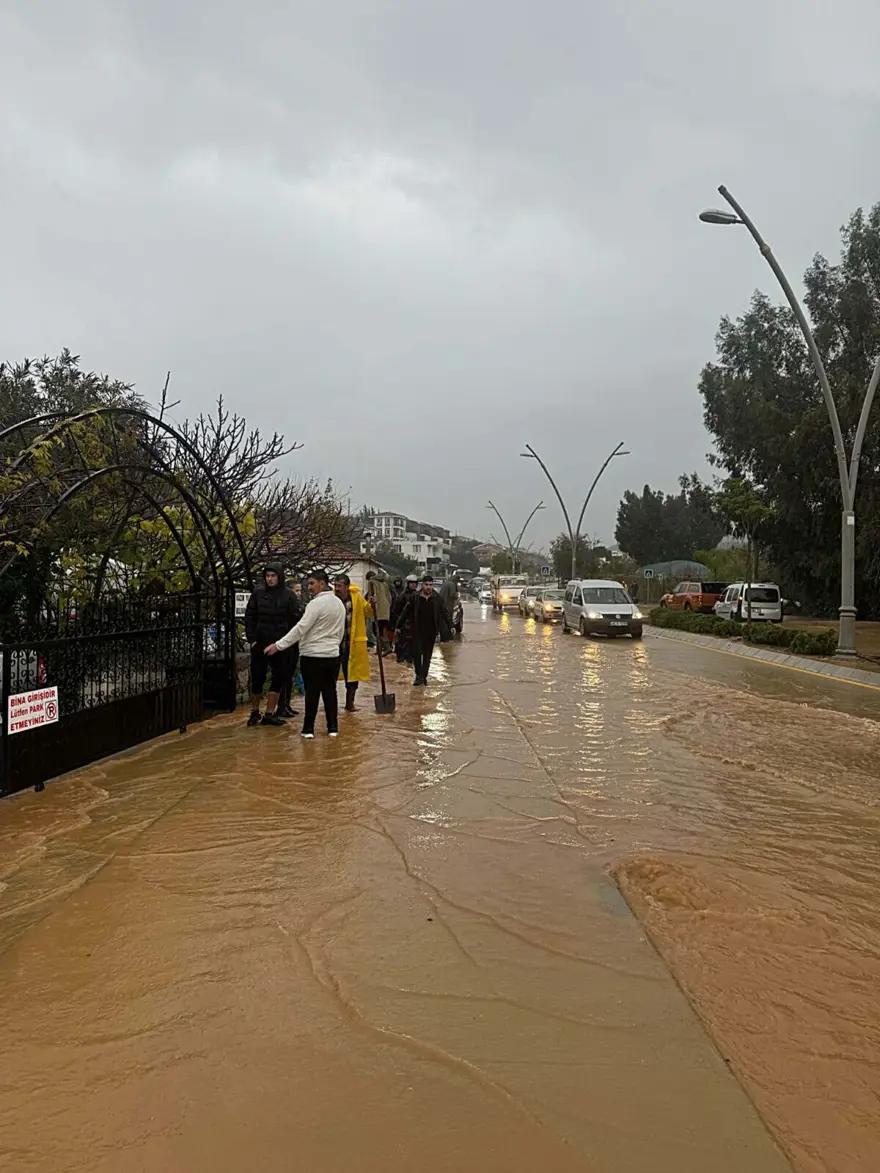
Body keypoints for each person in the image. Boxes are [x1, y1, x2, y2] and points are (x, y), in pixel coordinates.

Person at [265, 569, 346, 739]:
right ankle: (333, 728)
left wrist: (279, 645)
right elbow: (340, 632)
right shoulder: (339, 603)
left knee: (312, 693)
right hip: (332, 655)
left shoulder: (315, 604)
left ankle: (308, 730)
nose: (309, 587)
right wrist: (333, 647)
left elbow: (301, 628)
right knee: (331, 693)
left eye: (311, 583)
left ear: (322, 583)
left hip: (313, 656)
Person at [244, 562, 302, 726]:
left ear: (279, 577)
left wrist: (288, 641)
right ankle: (255, 711)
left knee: (279, 678)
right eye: (267, 576)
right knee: (257, 678)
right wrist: (252, 639)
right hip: (260, 643)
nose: (270, 579)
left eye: (273, 576)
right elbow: (250, 615)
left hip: (281, 643)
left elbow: (295, 619)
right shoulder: (258, 593)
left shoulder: (289, 595)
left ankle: (269, 713)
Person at [395, 574, 452, 685]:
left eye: (430, 585)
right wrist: (398, 626)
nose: (428, 587)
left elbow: (444, 612)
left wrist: (451, 626)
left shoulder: (437, 598)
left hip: (431, 631)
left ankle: (423, 677)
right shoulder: (415, 598)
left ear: (433, 585)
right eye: (426, 585)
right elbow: (405, 612)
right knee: (417, 654)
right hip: (417, 630)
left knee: (427, 656)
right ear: (422, 585)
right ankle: (418, 676)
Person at [334, 574, 373, 712]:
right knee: (330, 674)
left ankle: (349, 704)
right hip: (334, 644)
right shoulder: (331, 599)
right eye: (335, 585)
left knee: (352, 675)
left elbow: (368, 612)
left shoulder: (356, 598)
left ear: (347, 586)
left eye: (339, 586)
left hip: (351, 644)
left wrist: (372, 604)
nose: (337, 588)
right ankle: (330, 703)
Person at [392, 574, 419, 664]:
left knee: (412, 651)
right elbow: (396, 611)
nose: (413, 585)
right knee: (401, 649)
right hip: (403, 628)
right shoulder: (402, 596)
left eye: (415, 583)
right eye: (411, 583)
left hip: (414, 627)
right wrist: (398, 626)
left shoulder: (418, 595)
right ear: (407, 584)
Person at [366, 568, 393, 654]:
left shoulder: (371, 582)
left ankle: (387, 647)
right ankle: (379, 649)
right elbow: (389, 597)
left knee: (376, 630)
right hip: (386, 611)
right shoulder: (384, 583)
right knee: (381, 630)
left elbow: (371, 597)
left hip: (378, 611)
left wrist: (371, 606)